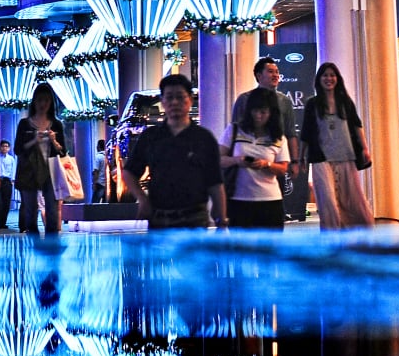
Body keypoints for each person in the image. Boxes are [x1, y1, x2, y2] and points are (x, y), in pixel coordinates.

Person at [121, 74, 228, 230]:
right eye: (169, 97)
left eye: (180, 97)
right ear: (163, 101)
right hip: (160, 218)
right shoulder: (151, 136)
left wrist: (221, 218)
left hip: (195, 218)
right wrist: (142, 199)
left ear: (190, 100)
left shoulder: (203, 138)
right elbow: (129, 172)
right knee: (161, 255)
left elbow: (215, 181)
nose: (175, 102)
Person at [299, 62, 374, 229]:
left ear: (337, 79)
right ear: (319, 79)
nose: (329, 79)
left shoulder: (345, 102)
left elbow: (356, 125)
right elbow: (305, 131)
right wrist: (301, 157)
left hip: (346, 156)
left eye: (332, 75)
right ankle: (331, 235)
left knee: (352, 199)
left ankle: (359, 233)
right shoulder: (312, 103)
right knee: (328, 201)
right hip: (321, 158)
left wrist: (364, 148)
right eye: (325, 75)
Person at [234, 57, 302, 222]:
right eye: (270, 71)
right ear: (258, 76)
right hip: (248, 157)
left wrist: (294, 161)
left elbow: (290, 133)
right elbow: (235, 131)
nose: (275, 75)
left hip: (275, 157)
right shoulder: (244, 99)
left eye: (277, 72)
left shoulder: (284, 101)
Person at [220, 87, 290, 231]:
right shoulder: (234, 130)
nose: (258, 116)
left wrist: (266, 164)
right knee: (242, 249)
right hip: (239, 200)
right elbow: (218, 159)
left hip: (270, 201)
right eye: (255, 111)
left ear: (271, 113)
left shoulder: (278, 137)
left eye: (263, 112)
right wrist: (237, 160)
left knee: (270, 249)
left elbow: (283, 169)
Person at [12, 84, 66, 236]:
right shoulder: (24, 124)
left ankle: (52, 247)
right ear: (34, 101)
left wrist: (54, 141)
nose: (43, 104)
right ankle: (33, 243)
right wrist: (33, 141)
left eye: (47, 101)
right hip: (29, 170)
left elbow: (62, 152)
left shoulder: (56, 124)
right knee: (30, 210)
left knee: (52, 211)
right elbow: (18, 149)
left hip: (51, 170)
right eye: (40, 100)